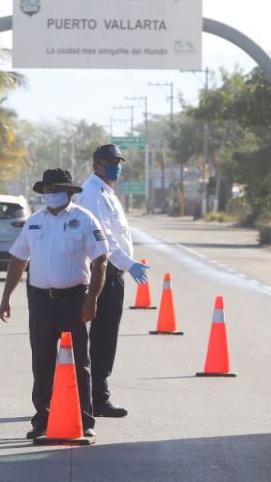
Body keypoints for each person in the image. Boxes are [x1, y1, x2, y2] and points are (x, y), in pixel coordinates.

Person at [0, 168, 109, 440]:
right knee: (42, 362)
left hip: (74, 300)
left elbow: (100, 261)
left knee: (79, 362)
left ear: (69, 192)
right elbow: (18, 260)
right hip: (40, 302)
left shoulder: (85, 219)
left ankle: (84, 419)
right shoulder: (35, 222)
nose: (51, 194)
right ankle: (43, 419)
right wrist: (6, 297)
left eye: (56, 189)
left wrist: (91, 300)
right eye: (47, 190)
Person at [74, 143, 150, 418]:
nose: (116, 166)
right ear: (96, 165)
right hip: (101, 272)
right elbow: (103, 239)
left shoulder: (107, 193)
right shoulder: (93, 193)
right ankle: (96, 398)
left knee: (105, 337)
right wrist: (129, 264)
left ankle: (93, 395)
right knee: (100, 337)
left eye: (118, 162)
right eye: (110, 162)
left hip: (112, 271)